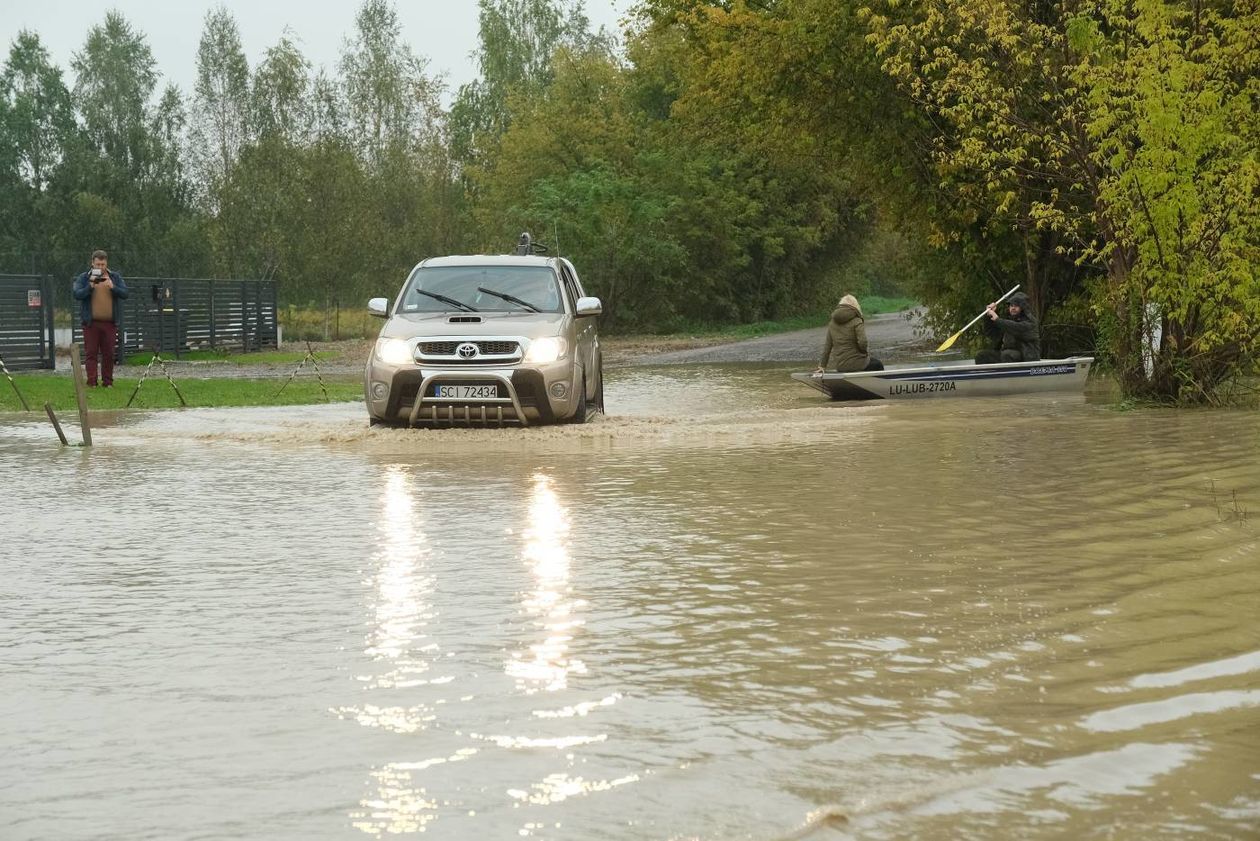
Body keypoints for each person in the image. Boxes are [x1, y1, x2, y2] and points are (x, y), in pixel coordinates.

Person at [72, 249, 129, 387]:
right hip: (91, 323)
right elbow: (77, 294)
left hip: (110, 323)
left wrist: (113, 287)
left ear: (106, 263)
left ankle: (108, 382)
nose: (100, 267)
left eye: (103, 264)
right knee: (91, 353)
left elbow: (125, 293)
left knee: (109, 354)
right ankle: (92, 381)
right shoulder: (84, 278)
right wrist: (90, 286)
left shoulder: (114, 277)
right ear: (92, 263)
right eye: (98, 264)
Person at [814, 294, 884, 374]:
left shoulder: (832, 323)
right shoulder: (857, 320)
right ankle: (875, 385)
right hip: (858, 364)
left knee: (871, 363)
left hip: (841, 367)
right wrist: (864, 353)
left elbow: (827, 347)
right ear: (855, 306)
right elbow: (863, 342)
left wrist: (822, 366)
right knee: (878, 364)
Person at [975, 291, 1040, 364]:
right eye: (1011, 305)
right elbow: (991, 332)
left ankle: (1012, 375)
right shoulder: (1007, 322)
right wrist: (989, 315)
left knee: (1007, 355)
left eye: (1016, 305)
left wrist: (997, 319)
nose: (1013, 308)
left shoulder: (1030, 322)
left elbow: (1015, 327)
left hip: (1026, 357)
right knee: (982, 356)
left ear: (1023, 307)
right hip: (1006, 355)